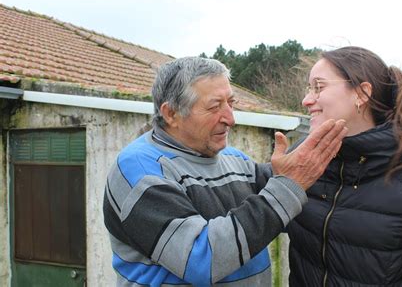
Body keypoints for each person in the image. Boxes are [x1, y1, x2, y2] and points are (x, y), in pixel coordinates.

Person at [103, 56, 347, 286]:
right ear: (171, 114)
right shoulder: (140, 171)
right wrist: (288, 186)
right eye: (214, 107)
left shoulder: (231, 158)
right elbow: (202, 260)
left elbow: (279, 205)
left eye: (231, 103)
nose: (230, 119)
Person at [287, 46, 402, 286]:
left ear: (362, 94)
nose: (306, 99)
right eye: (308, 88)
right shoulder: (306, 161)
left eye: (319, 87)